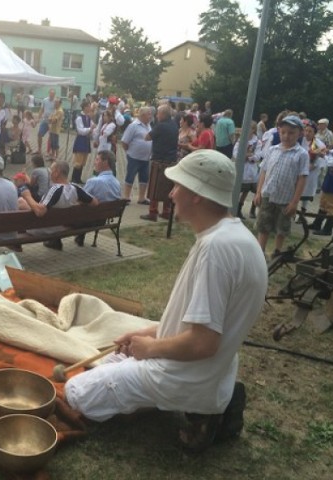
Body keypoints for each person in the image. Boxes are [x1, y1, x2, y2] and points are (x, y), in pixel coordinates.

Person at [65, 149, 268, 451]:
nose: (171, 193)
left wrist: (151, 348)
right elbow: (196, 323)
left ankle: (204, 405)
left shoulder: (216, 250)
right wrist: (143, 335)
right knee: (105, 361)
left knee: (76, 391)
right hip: (208, 366)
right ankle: (211, 400)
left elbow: (203, 343)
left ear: (197, 194)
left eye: (178, 186)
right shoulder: (234, 236)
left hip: (186, 371)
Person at [253, 115, 309, 256]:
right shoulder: (272, 150)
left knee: (281, 227)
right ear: (279, 131)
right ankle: (261, 250)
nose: (286, 136)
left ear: (299, 134)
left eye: (291, 133)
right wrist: (258, 192)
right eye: (283, 132)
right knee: (263, 225)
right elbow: (264, 171)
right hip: (268, 195)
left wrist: (295, 202)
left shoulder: (301, 154)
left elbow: (302, 178)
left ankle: (277, 251)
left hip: (286, 199)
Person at [19, 160, 98, 250]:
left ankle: (14, 240)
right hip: (63, 226)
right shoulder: (76, 188)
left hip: (44, 228)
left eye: (51, 171)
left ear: (57, 173)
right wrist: (77, 201)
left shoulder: (55, 189)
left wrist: (27, 195)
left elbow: (40, 212)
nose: (50, 174)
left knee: (21, 201)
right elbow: (95, 202)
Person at [74, 150, 121, 247]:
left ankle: (55, 240)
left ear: (105, 162)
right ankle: (80, 237)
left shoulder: (94, 181)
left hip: (87, 220)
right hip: (103, 219)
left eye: (97, 159)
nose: (94, 162)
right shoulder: (117, 182)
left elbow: (80, 199)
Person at [141, 105, 178, 221]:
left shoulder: (160, 126)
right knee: (168, 186)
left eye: (158, 113)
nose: (156, 116)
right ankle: (166, 211)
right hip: (171, 160)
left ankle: (153, 212)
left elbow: (147, 137)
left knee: (154, 186)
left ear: (163, 114)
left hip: (159, 160)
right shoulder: (174, 125)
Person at [121, 107, 152, 204]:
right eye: (149, 114)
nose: (150, 117)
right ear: (142, 115)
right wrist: (129, 151)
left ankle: (141, 198)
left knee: (144, 178)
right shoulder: (133, 125)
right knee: (130, 176)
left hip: (146, 158)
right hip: (134, 157)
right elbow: (124, 141)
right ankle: (126, 197)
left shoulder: (149, 126)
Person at [71, 100, 95, 184]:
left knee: (83, 161)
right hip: (81, 140)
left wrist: (92, 129)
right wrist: (90, 129)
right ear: (85, 107)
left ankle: (78, 178)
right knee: (78, 161)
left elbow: (92, 126)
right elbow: (81, 130)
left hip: (86, 140)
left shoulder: (88, 117)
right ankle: (74, 178)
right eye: (89, 106)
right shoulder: (79, 118)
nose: (90, 108)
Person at [37, 89, 56, 154]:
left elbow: (57, 110)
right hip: (44, 120)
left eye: (53, 94)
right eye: (51, 94)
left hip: (52, 121)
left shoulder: (56, 101)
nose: (52, 95)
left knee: (51, 136)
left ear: (54, 95)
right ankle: (39, 149)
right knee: (39, 134)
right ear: (49, 93)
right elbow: (41, 109)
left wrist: (53, 118)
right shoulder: (45, 100)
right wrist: (38, 118)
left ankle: (49, 151)